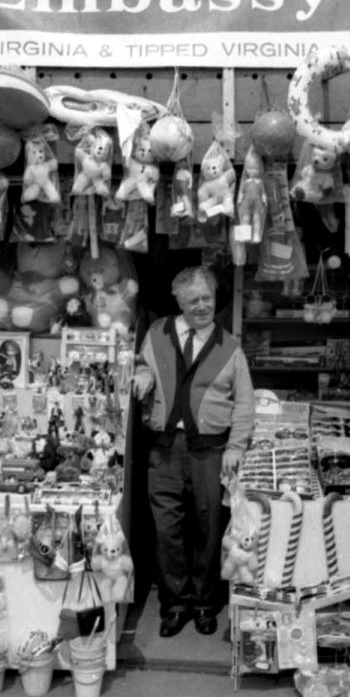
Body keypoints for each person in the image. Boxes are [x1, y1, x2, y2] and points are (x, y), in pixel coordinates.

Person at [132, 266, 254, 637]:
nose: (202, 307)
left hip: (211, 450)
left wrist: (236, 447)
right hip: (165, 449)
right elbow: (140, 365)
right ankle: (174, 604)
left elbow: (245, 404)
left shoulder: (229, 346)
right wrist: (142, 375)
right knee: (167, 530)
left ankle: (204, 603)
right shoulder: (157, 334)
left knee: (208, 528)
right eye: (193, 300)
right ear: (179, 302)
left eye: (207, 299)